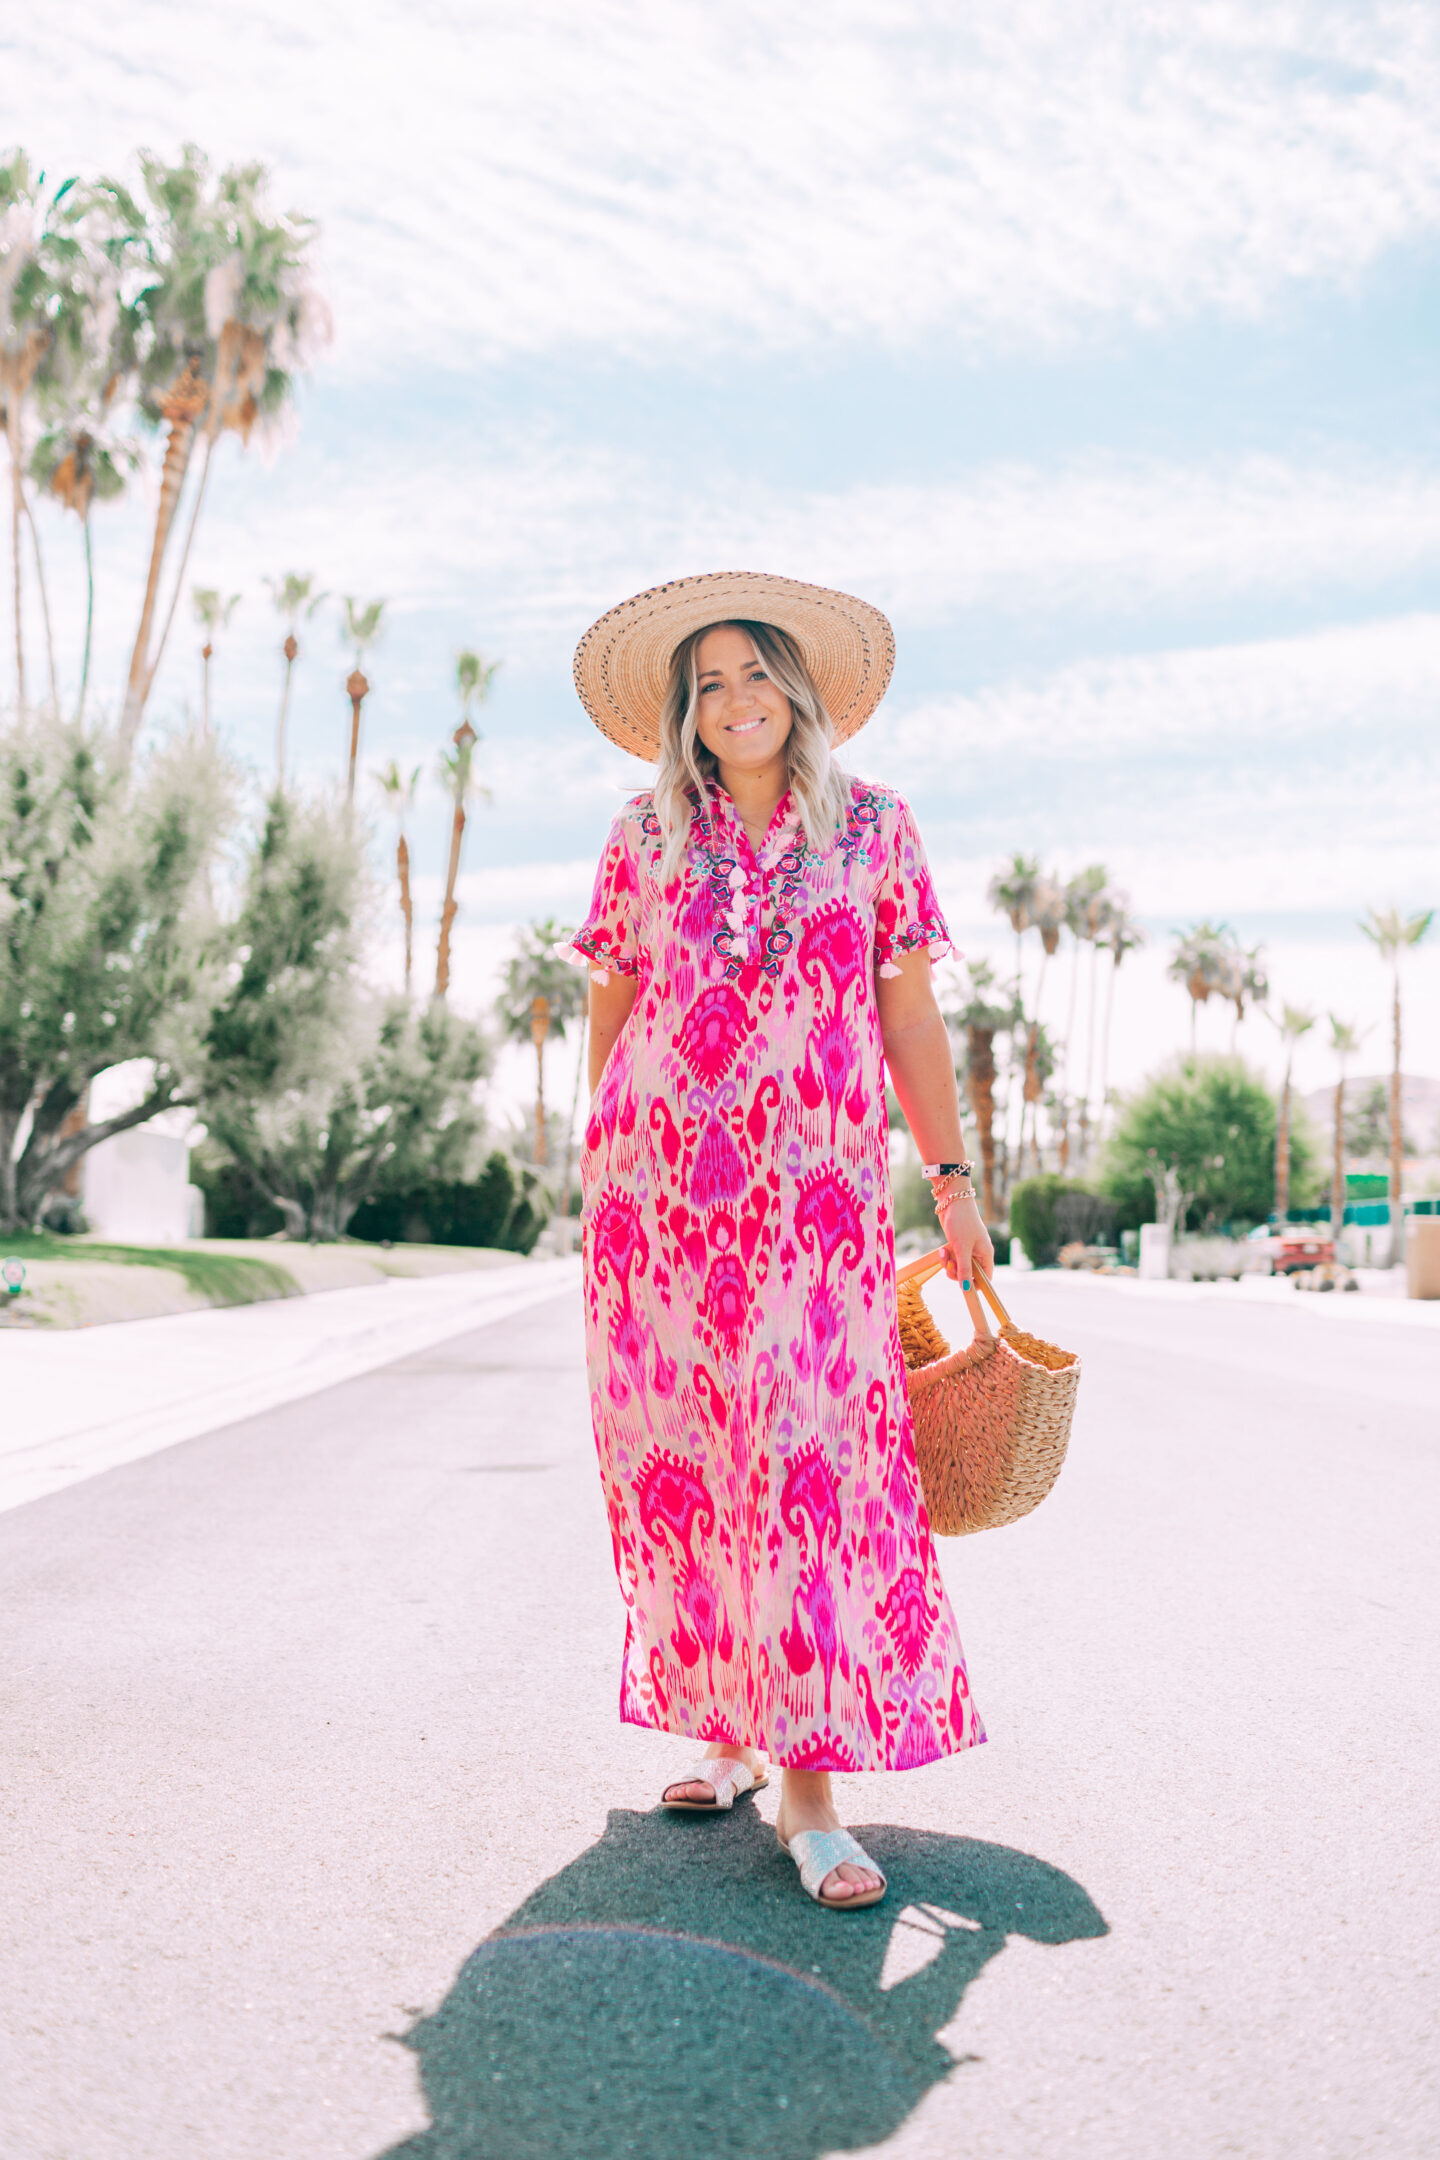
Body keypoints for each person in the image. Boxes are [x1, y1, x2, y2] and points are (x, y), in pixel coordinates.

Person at [565, 572, 993, 1911]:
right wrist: (603, 1164)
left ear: (799, 693)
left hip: (815, 1212)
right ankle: (728, 1728)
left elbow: (910, 1020)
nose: (735, 701)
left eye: (756, 675)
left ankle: (810, 1783)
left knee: (808, 1468)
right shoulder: (644, 837)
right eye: (708, 684)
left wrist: (955, 1179)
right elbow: (617, 1009)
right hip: (663, 1211)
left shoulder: (874, 830)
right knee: (690, 1466)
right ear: (683, 717)